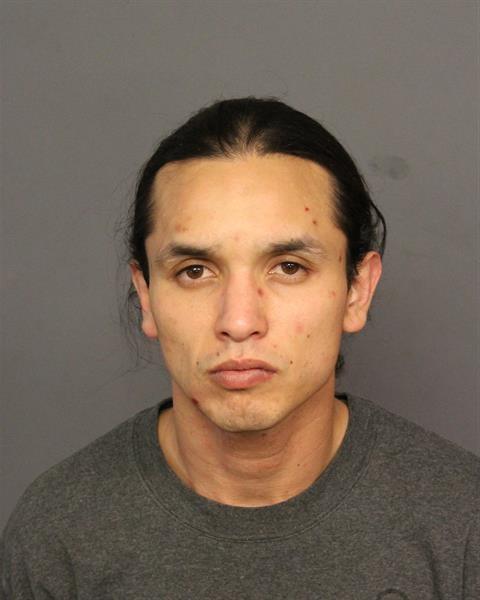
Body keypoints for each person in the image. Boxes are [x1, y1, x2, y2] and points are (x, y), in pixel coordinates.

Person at [1, 97, 478, 599]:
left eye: (289, 267)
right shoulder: (58, 537)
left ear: (357, 290)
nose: (239, 322)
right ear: (146, 296)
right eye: (194, 271)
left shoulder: (464, 522)